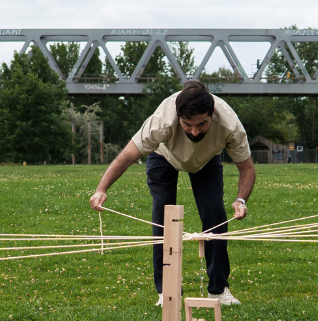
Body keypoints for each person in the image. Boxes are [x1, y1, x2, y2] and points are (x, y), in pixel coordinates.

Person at [89, 81, 255, 306]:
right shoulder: (161, 122)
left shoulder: (230, 125)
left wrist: (240, 199)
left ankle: (218, 290)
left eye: (202, 124)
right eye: (188, 125)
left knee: (215, 215)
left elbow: (246, 168)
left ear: (212, 113)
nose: (194, 131)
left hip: (206, 160)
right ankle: (167, 293)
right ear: (178, 116)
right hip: (163, 156)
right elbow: (127, 155)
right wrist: (101, 190)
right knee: (163, 216)